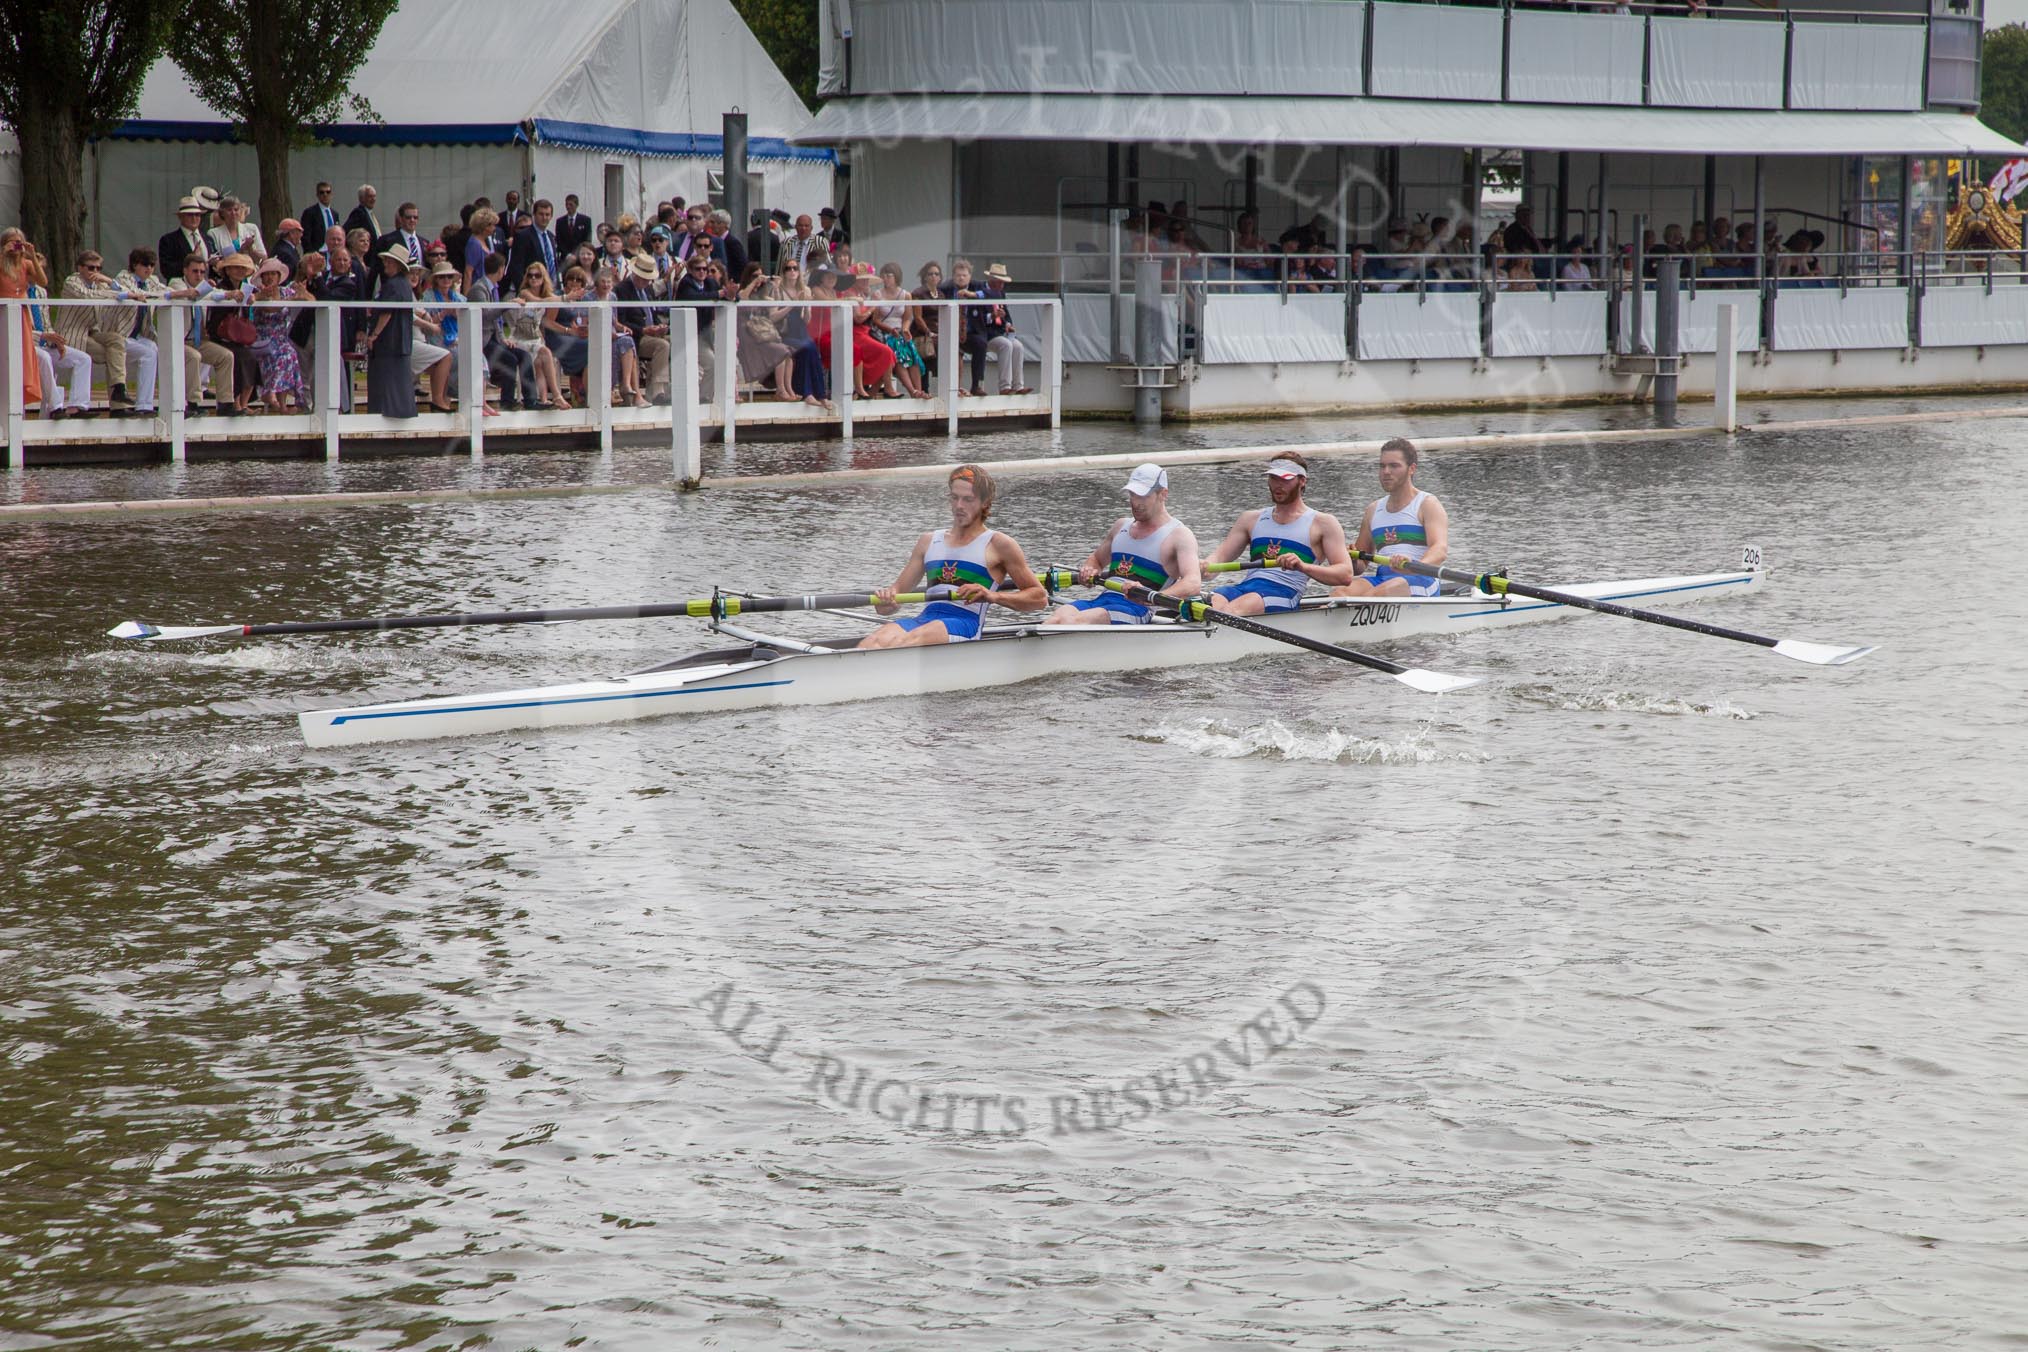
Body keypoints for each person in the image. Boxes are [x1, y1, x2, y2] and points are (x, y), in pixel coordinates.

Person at [857, 465, 1047, 649]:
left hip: (964, 622)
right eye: (954, 498)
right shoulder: (928, 541)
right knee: (871, 643)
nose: (959, 506)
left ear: (985, 503)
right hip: (925, 618)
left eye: (968, 499)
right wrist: (886, 600)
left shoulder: (999, 544)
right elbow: (894, 598)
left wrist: (992, 596)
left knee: (909, 640)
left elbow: (1039, 598)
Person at [1046, 463, 1203, 626]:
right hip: (1102, 600)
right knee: (1057, 618)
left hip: (1136, 609)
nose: (1135, 502)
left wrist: (1151, 597)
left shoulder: (1180, 535)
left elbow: (1192, 584)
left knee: (1074, 621)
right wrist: (1088, 571)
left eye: (1142, 496)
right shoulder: (1120, 526)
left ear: (1163, 494)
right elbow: (1097, 560)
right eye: (1132, 494)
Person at [1204, 453, 1355, 614]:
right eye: (1274, 478)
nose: (1278, 485)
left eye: (1285, 479)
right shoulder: (1250, 519)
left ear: (1302, 481)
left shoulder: (1323, 523)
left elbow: (1345, 575)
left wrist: (1302, 566)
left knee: (1232, 610)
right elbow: (1219, 557)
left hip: (1284, 592)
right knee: (1209, 605)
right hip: (1246, 587)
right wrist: (1204, 565)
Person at [1333, 438, 1451, 598]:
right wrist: (1352, 560)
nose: (1386, 472)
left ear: (1412, 469)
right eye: (1382, 466)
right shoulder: (1373, 510)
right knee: (1340, 592)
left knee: (1377, 594)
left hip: (1421, 579)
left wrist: (1413, 566)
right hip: (1383, 578)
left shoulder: (1427, 504)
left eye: (1394, 466)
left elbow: (1440, 550)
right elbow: (1360, 566)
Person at [59, 247, 155, 413]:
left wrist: (110, 282)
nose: (95, 272)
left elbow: (128, 292)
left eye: (98, 268)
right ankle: (79, 406)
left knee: (116, 340)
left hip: (93, 332)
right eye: (91, 268)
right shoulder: (72, 281)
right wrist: (117, 293)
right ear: (80, 267)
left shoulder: (101, 283)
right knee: (112, 355)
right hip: (73, 333)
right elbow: (87, 296)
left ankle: (119, 394)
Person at [470, 250, 536, 411]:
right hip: (481, 340)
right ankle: (507, 401)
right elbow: (486, 314)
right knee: (509, 359)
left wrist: (502, 338)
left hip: (493, 338)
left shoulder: (493, 288)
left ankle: (531, 400)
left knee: (524, 355)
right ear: (501, 269)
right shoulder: (479, 289)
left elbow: (495, 320)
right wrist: (508, 304)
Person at [365, 243, 422, 417]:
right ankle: (398, 412)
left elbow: (387, 313)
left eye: (389, 262)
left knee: (386, 379)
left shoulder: (394, 285)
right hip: (399, 341)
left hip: (390, 342)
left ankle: (386, 413)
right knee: (398, 380)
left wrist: (374, 335)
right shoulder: (403, 284)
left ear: (397, 265)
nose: (385, 265)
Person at [248, 257, 306, 413]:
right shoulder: (258, 294)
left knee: (289, 353)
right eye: (267, 274)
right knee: (284, 354)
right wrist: (290, 301)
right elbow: (270, 310)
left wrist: (302, 293)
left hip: (282, 339)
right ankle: (272, 394)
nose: (270, 277)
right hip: (262, 339)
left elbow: (311, 299)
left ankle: (280, 403)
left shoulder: (286, 291)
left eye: (274, 273)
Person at [615, 253, 671, 404]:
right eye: (643, 278)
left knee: (678, 340)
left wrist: (660, 327)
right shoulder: (622, 289)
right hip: (635, 336)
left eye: (648, 279)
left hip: (650, 333)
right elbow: (621, 321)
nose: (646, 282)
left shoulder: (646, 290)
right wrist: (645, 330)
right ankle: (657, 392)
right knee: (663, 346)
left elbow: (651, 313)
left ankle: (676, 388)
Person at [978, 263, 1030, 395]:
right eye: (1000, 282)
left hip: (1000, 332)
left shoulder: (1000, 293)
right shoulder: (981, 292)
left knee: (1018, 346)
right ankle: (1004, 387)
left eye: (1003, 283)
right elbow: (976, 317)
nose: (1002, 286)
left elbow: (1006, 314)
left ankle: (1018, 385)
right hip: (986, 334)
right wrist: (992, 315)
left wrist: (1008, 324)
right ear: (992, 281)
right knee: (1006, 345)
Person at [507, 198, 560, 292]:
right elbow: (516, 267)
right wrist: (523, 290)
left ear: (551, 216)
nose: (544, 217)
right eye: (541, 214)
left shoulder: (551, 237)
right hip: (532, 290)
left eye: (547, 214)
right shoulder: (523, 236)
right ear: (534, 215)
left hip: (552, 289)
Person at [159, 197, 210, 277]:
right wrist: (190, 259)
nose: (194, 218)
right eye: (190, 215)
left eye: (197, 215)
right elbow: (166, 270)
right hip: (181, 285)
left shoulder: (208, 238)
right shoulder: (169, 240)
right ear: (180, 217)